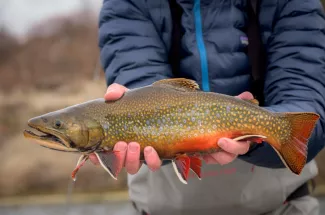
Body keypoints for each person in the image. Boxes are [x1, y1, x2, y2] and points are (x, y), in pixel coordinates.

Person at [95, 0, 325, 214]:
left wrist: (252, 136)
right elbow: (141, 88)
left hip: (282, 204)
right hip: (162, 205)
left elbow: (309, 107)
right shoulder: (126, 3)